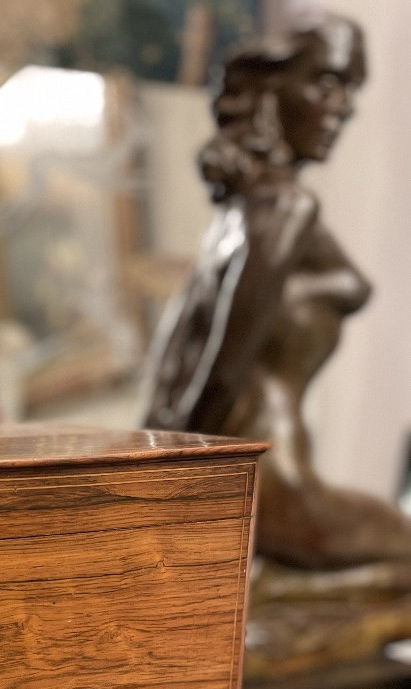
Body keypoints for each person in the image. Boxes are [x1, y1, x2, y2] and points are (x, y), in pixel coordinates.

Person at [143, 15, 411, 572]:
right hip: (270, 487)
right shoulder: (284, 209)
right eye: (329, 82)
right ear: (272, 87)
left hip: (258, 482)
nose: (344, 108)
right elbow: (223, 366)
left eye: (352, 91)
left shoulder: (241, 211)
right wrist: (178, 490)